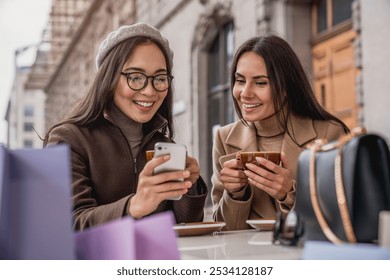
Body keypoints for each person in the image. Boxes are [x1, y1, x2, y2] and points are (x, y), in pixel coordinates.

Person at [44, 22, 207, 231]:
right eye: (136, 77)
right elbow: (69, 225)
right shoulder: (67, 139)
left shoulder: (162, 143)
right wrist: (134, 206)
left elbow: (184, 227)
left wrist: (189, 187)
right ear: (109, 79)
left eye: (159, 78)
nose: (150, 91)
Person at [211, 35, 349, 230]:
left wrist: (289, 194)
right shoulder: (224, 138)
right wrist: (235, 194)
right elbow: (222, 231)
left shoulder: (329, 133)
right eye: (240, 80)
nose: (245, 93)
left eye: (260, 83)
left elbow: (341, 218)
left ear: (286, 87)